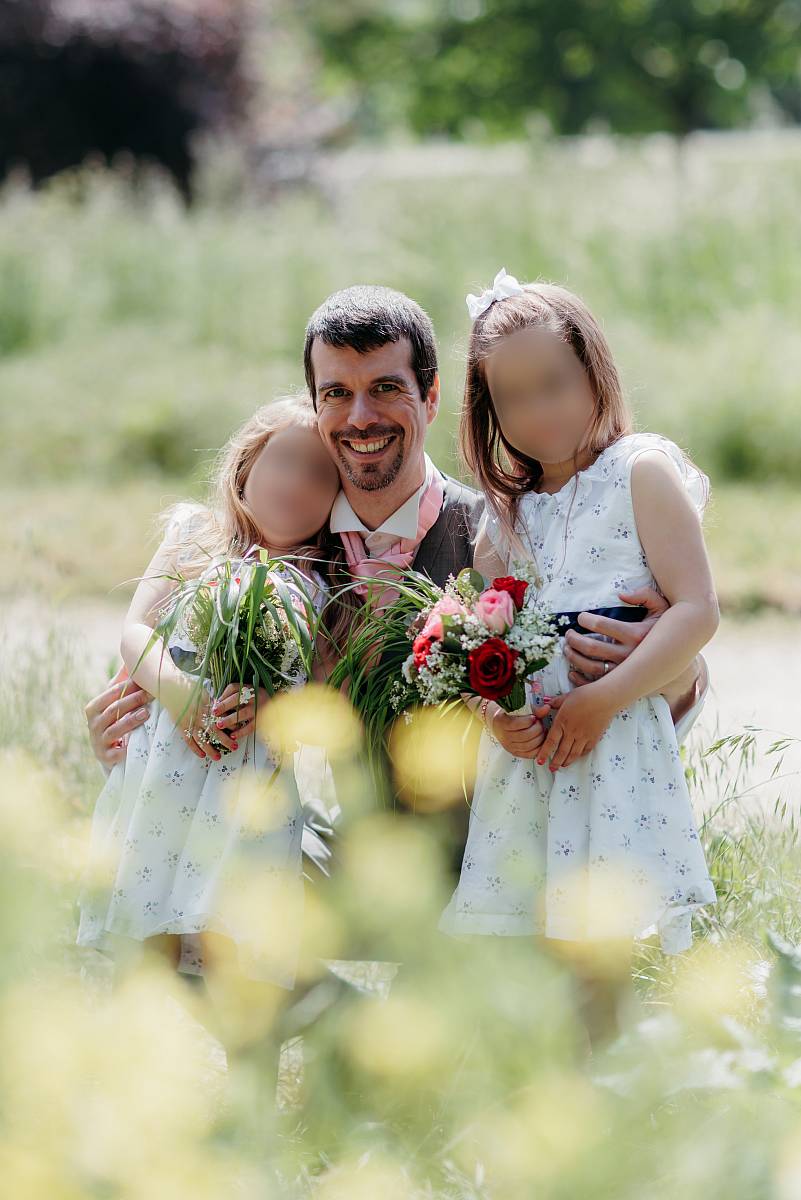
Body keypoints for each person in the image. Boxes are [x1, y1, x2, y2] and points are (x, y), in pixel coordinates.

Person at [85, 284, 709, 869]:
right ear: (315, 405)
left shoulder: (503, 532)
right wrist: (130, 731)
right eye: (336, 394)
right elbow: (173, 670)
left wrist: (670, 669)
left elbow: (642, 655)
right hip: (322, 857)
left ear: (432, 396)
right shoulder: (280, 543)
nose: (360, 418)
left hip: (486, 864)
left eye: (386, 388)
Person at [439, 271, 718, 1039]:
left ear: (594, 372)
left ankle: (611, 1086)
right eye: (513, 398)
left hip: (613, 737)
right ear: (487, 410)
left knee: (601, 936)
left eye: (554, 385)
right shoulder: (507, 518)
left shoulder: (642, 473)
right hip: (534, 758)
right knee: (532, 931)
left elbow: (696, 610)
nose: (538, 412)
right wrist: (497, 714)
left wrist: (604, 698)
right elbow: (480, 641)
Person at [77, 395, 348, 1081]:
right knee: (147, 938)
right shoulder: (196, 537)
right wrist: (184, 694)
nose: (297, 484)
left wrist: (274, 705)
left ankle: (250, 1102)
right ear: (243, 467)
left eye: (321, 475)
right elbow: (136, 632)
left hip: (251, 793)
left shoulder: (320, 586)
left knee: (240, 947)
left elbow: (322, 688)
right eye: (283, 462)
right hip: (164, 776)